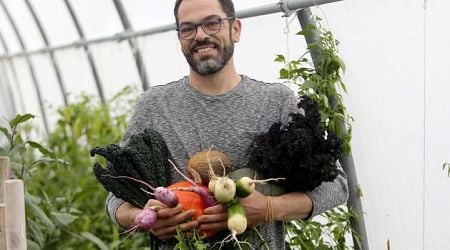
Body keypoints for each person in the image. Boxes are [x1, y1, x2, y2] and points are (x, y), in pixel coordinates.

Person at [106, 0, 349, 249]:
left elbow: (336, 186)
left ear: (235, 29)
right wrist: (141, 217)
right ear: (179, 38)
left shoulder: (276, 102)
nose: (200, 35)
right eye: (187, 28)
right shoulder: (154, 107)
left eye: (212, 23)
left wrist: (268, 208)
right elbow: (116, 194)